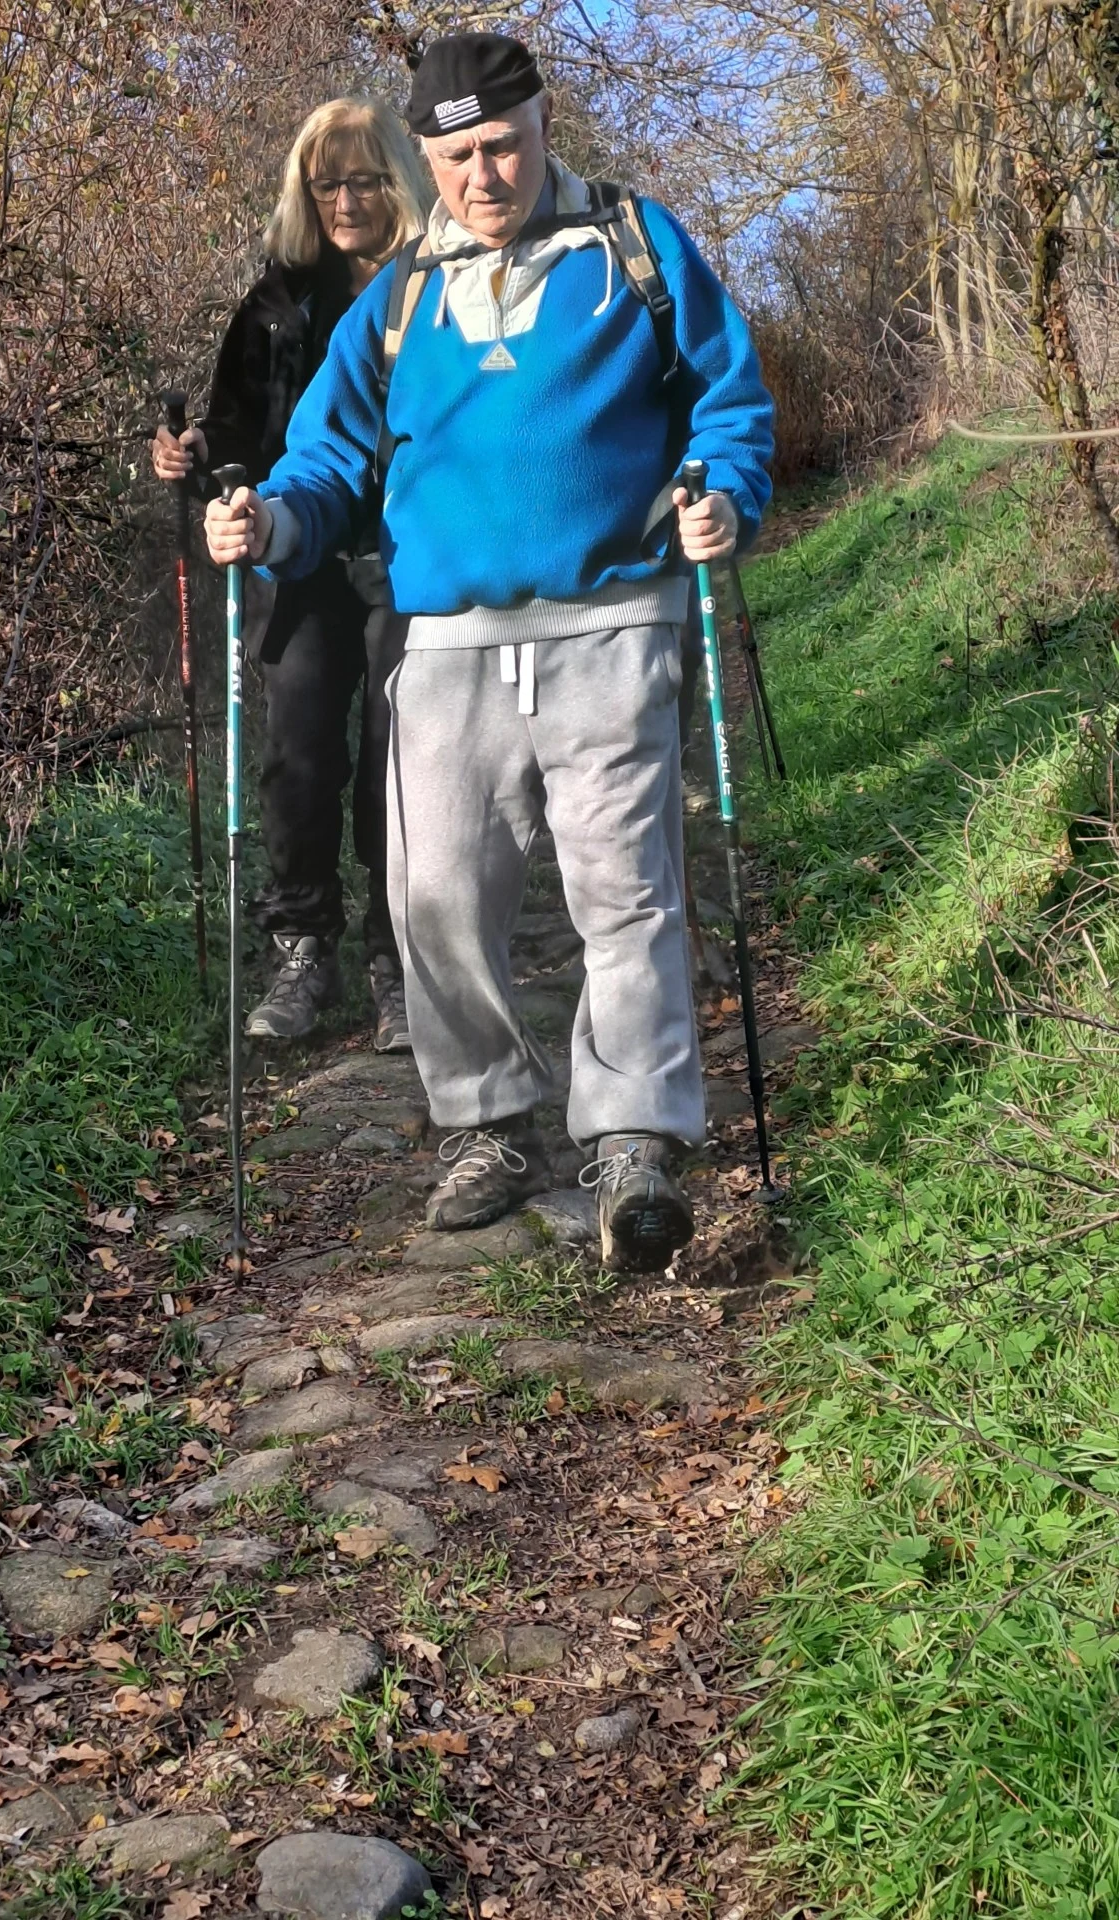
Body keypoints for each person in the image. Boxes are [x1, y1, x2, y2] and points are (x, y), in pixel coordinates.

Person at [204, 35, 774, 1273]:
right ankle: (486, 1123)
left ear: (542, 122)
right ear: (430, 156)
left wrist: (723, 491)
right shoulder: (402, 291)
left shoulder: (634, 245)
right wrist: (271, 523)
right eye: (456, 155)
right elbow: (326, 457)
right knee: (432, 894)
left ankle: (632, 1142)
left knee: (625, 896)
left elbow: (731, 398)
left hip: (616, 620)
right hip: (447, 638)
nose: (484, 174)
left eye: (503, 144)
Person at [152, 97, 428, 1051]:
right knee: (298, 751)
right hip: (296, 555)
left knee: (400, 759)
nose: (346, 199)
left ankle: (399, 959)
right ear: (305, 195)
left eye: (363, 178)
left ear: (398, 179)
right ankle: (303, 946)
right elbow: (232, 438)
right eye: (327, 183)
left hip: (413, 559)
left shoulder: (443, 286)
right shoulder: (275, 303)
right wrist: (194, 460)